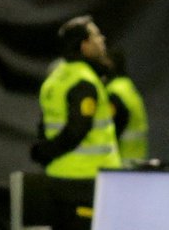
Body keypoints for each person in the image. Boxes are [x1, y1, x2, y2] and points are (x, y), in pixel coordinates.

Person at [31, 15, 122, 179]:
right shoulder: (84, 81)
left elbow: (44, 126)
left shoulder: (53, 79)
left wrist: (43, 153)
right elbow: (77, 130)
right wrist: (46, 151)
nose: (102, 39)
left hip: (58, 171)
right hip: (89, 174)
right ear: (84, 45)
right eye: (96, 35)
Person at [104, 48, 149, 163]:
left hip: (121, 161)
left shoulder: (114, 92)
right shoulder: (127, 87)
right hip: (137, 157)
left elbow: (113, 127)